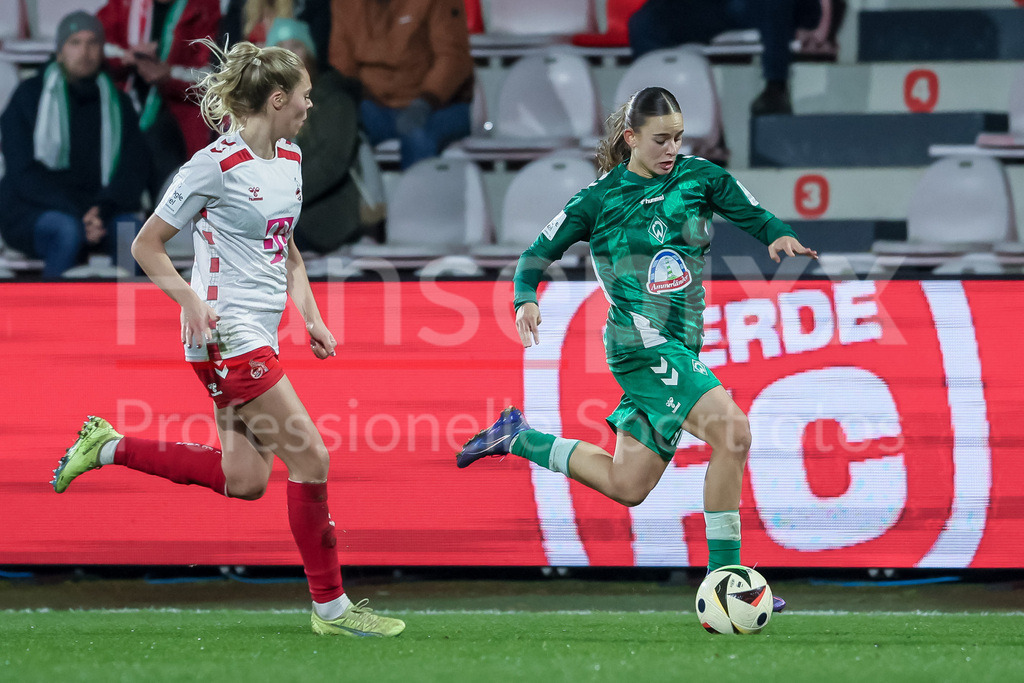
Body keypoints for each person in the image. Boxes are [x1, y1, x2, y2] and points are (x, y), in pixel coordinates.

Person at [50, 39, 405, 638]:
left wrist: (311, 315)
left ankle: (106, 445)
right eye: (304, 96)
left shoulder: (289, 158)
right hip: (225, 333)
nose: (310, 106)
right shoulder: (211, 165)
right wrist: (188, 298)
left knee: (245, 481)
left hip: (259, 331)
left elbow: (284, 244)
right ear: (276, 98)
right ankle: (332, 610)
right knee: (311, 457)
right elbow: (145, 244)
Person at [456, 87, 818, 611]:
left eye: (677, 138)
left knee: (628, 484)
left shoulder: (699, 177)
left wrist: (777, 235)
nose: (672, 149)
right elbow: (537, 252)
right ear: (630, 138)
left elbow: (752, 212)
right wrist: (524, 299)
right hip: (639, 343)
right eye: (660, 139)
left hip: (680, 344)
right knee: (733, 433)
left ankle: (518, 437)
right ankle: (727, 581)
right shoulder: (597, 200)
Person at [0, 11, 149, 278]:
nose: (85, 51)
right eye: (75, 42)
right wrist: (79, 212)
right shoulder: (28, 97)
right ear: (59, 51)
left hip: (103, 211)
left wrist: (100, 211)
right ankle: (51, 318)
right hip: (36, 210)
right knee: (65, 230)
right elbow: (22, 173)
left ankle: (128, 317)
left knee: (134, 234)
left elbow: (134, 169)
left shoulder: (119, 103)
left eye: (92, 43)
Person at [628, 0, 847, 115]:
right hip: (721, 7)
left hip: (781, 6)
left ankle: (776, 87)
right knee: (646, 23)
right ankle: (657, 108)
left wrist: (824, 28)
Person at [328, 0, 474, 169]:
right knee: (339, 128)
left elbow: (453, 58)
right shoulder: (345, 4)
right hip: (374, 104)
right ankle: (363, 195)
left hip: (439, 105)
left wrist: (425, 101)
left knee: (418, 134)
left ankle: (418, 194)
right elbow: (342, 65)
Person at [97, 0, 221, 197]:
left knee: (172, 191)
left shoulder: (203, 8)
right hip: (126, 110)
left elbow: (213, 78)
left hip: (179, 119)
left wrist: (168, 74)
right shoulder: (124, 6)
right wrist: (126, 55)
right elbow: (94, 42)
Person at [267, 18, 363, 251]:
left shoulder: (334, 101)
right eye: (281, 47)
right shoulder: (260, 106)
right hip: (273, 214)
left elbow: (332, 162)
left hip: (321, 218)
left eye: (296, 46)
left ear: (310, 53)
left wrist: (284, 197)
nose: (289, 54)